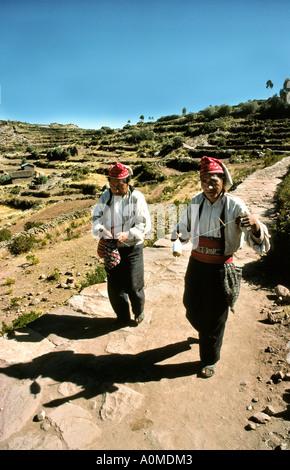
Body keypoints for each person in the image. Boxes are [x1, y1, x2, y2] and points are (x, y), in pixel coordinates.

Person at [172, 156, 270, 378]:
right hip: (196, 264)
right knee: (191, 306)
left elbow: (257, 239)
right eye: (204, 180)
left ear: (223, 181)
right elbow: (184, 226)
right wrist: (179, 234)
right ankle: (205, 332)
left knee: (216, 317)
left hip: (220, 268)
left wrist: (254, 225)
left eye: (213, 181)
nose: (208, 186)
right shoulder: (196, 201)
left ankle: (209, 359)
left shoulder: (235, 205)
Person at [92, 162, 151, 326]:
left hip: (132, 247)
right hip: (112, 247)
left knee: (134, 284)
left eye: (120, 185)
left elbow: (142, 223)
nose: (116, 189)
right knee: (115, 287)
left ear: (128, 182)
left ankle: (138, 311)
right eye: (112, 185)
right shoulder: (106, 196)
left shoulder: (136, 198)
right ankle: (122, 316)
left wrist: (128, 233)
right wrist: (101, 230)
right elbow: (97, 218)